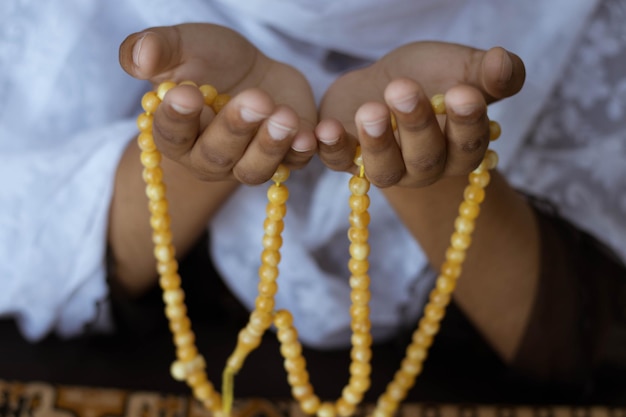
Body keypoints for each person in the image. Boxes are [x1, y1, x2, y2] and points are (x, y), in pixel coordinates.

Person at [1, 0, 624, 402]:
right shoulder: (62, 21)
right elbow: (25, 252)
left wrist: (429, 165)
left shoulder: (581, 29)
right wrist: (203, 141)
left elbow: (596, 344)